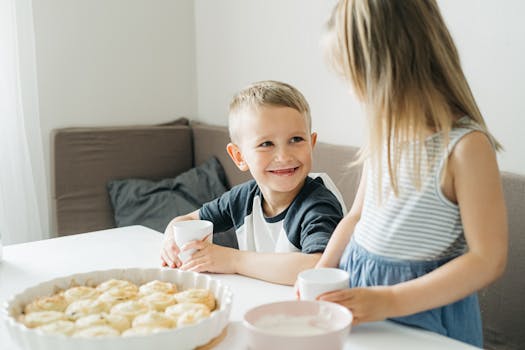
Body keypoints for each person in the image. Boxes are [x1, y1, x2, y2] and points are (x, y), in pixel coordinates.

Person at [310, 0, 508, 347]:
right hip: (364, 302)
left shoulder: (465, 148)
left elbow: (487, 259)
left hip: (425, 316)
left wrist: (391, 300)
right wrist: (320, 274)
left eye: (352, 78)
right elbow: (355, 218)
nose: (351, 91)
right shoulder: (384, 137)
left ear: (387, 71)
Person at [160, 80, 345, 285]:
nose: (283, 156)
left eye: (296, 140)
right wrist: (170, 241)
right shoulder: (242, 198)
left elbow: (317, 266)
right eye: (266, 144)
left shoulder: (319, 204)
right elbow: (185, 221)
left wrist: (232, 260)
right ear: (239, 156)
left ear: (312, 144)